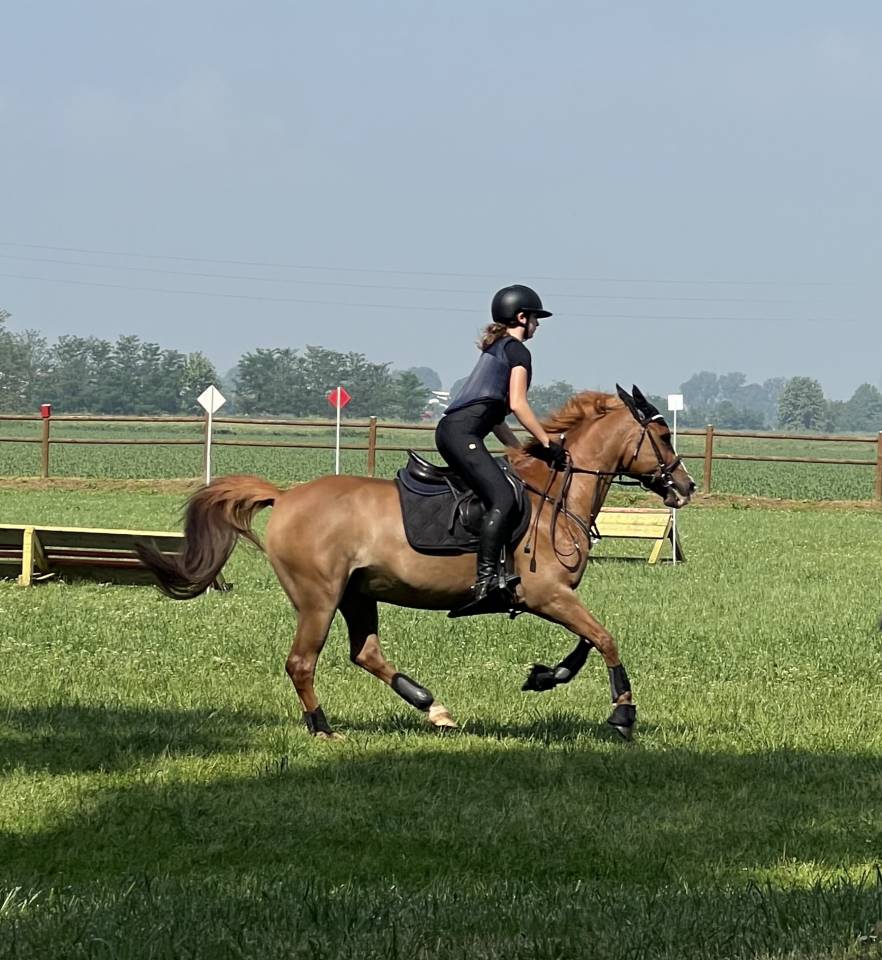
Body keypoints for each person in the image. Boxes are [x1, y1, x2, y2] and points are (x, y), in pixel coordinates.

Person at [436, 284, 567, 617]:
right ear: (521, 317)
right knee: (504, 498)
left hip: (456, 432)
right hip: (460, 434)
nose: (537, 325)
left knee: (504, 486)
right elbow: (519, 404)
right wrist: (547, 442)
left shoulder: (496, 349)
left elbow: (495, 418)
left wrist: (519, 451)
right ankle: (486, 583)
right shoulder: (518, 351)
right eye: (535, 318)